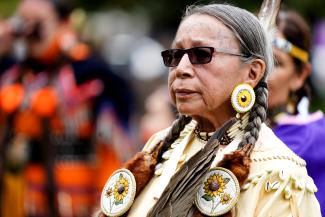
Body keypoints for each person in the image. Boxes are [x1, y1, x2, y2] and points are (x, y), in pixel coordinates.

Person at [97, 3, 321, 217]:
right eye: (176, 55)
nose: (181, 69)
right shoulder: (159, 146)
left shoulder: (280, 175)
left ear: (252, 73)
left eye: (202, 55)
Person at [0, 0, 133, 216]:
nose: (28, 30)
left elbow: (115, 139)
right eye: (22, 21)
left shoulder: (89, 72)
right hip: (24, 200)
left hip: (80, 201)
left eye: (36, 22)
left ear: (63, 23)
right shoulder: (13, 75)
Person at [268, 10, 325, 216]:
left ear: (300, 75)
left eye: (275, 62)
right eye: (249, 57)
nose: (259, 70)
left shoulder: (314, 140)